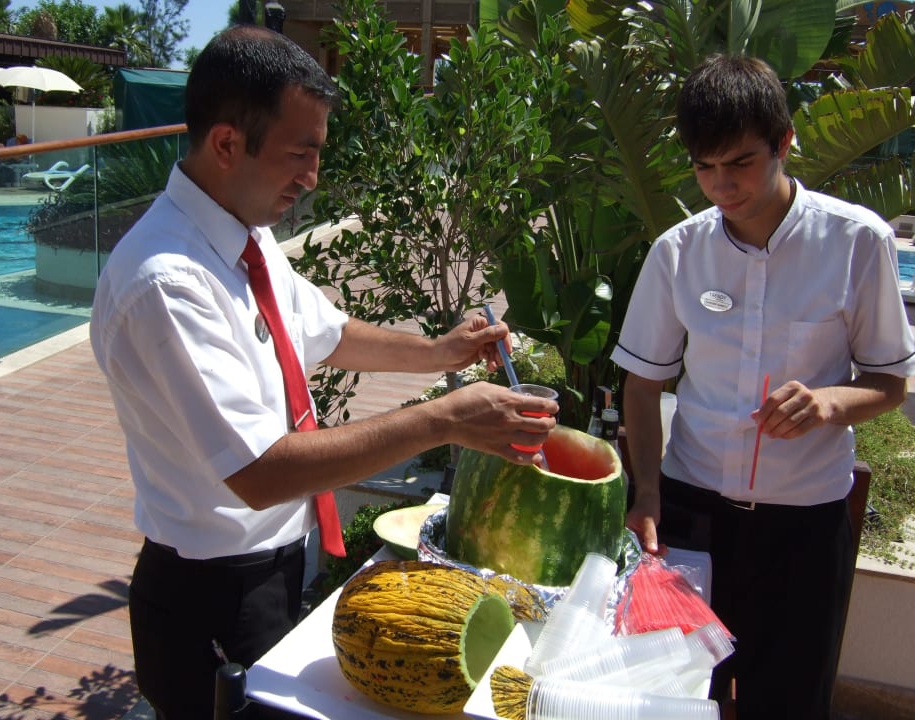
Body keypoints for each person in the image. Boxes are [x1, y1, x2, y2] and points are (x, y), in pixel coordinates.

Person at [89, 25, 557, 720]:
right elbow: (260, 473)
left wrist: (438, 352)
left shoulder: (241, 232)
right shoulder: (168, 282)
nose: (311, 178)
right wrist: (444, 420)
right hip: (208, 597)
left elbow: (326, 331)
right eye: (299, 154)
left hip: (273, 567)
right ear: (225, 144)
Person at [611, 54, 915, 719]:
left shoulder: (857, 242)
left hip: (805, 528)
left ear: (783, 143)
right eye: (704, 166)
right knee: (676, 698)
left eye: (740, 163)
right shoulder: (677, 253)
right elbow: (642, 383)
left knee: (790, 703)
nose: (721, 185)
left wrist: (829, 402)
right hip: (693, 519)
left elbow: (890, 382)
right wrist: (649, 492)